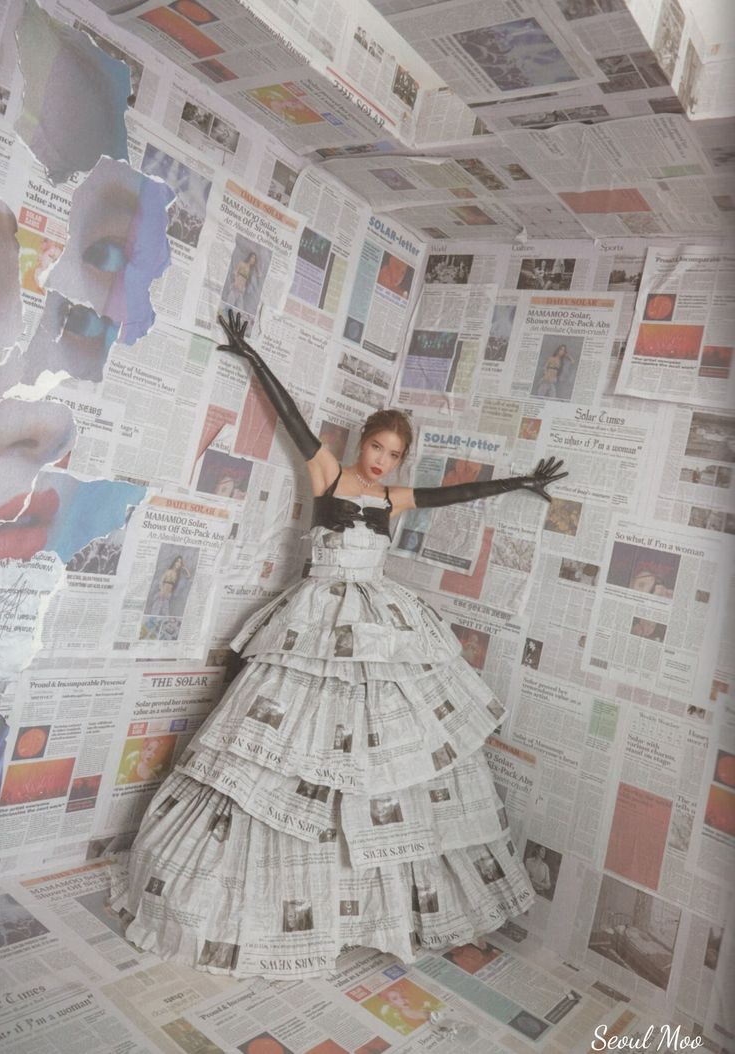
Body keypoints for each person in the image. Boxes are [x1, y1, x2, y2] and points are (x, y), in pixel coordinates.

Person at [108, 310, 567, 979]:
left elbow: (458, 493)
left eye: (391, 455)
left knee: (380, 744)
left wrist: (520, 481)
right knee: (288, 739)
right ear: (361, 443)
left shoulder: (395, 498)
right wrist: (250, 354)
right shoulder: (328, 473)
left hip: (378, 621)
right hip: (314, 619)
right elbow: (292, 417)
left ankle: (372, 900)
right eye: (375, 448)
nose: (380, 460)